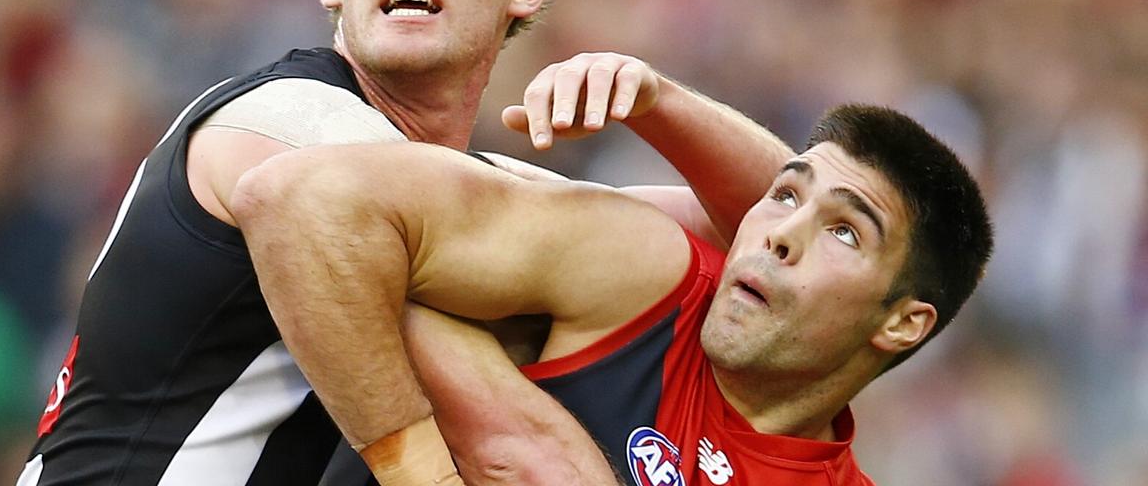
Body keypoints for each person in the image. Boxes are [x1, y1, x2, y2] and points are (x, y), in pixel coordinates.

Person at [17, 0, 791, 486]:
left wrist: (659, 101)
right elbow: (515, 448)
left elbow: (794, 233)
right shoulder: (287, 124)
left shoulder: (438, 187)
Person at [232, 102, 994, 486]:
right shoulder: (646, 276)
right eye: (786, 196)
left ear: (904, 323)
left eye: (846, 234)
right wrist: (433, 465)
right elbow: (297, 202)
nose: (780, 234)